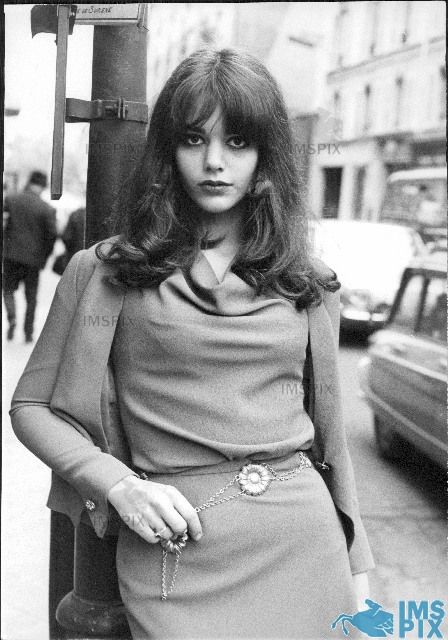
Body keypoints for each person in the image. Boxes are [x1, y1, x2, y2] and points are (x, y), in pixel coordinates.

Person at [10, 49, 374, 639]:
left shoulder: (308, 282)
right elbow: (31, 407)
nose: (214, 163)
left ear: (265, 157)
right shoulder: (104, 273)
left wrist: (358, 576)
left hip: (304, 545)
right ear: (167, 152)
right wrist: (116, 484)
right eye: (193, 139)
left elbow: (333, 438)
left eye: (237, 143)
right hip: (177, 554)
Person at [3, 170, 57, 342]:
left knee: (8, 289)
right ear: (43, 186)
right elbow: (52, 236)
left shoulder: (11, 200)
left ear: (29, 181)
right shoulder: (47, 209)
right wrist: (44, 257)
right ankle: (28, 333)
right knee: (31, 297)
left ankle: (12, 318)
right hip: (33, 260)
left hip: (10, 255)